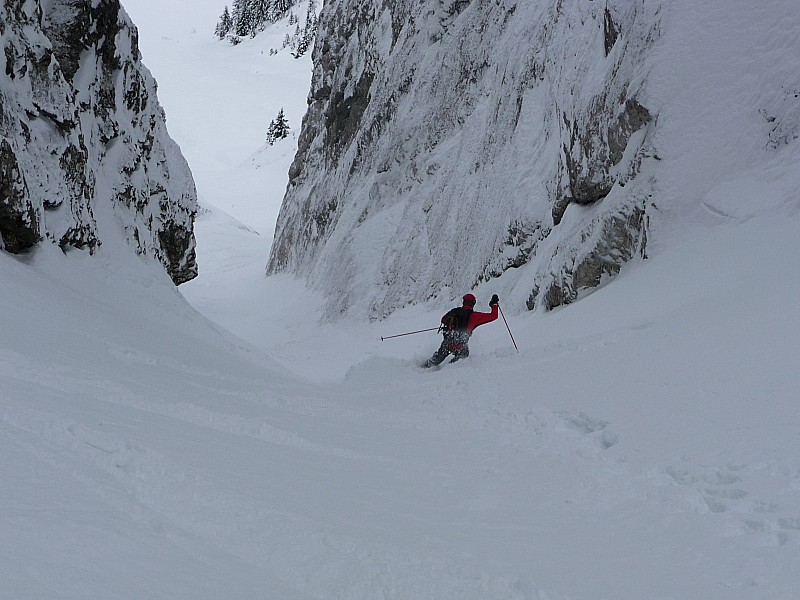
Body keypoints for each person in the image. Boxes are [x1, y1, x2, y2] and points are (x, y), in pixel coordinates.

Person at [422, 293, 499, 368]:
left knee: (437, 359)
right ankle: (448, 369)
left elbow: (443, 320)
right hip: (461, 347)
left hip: (447, 343)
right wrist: (494, 304)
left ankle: (424, 366)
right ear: (473, 303)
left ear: (463, 301)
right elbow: (493, 316)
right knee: (462, 357)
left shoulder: (455, 311)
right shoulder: (474, 316)